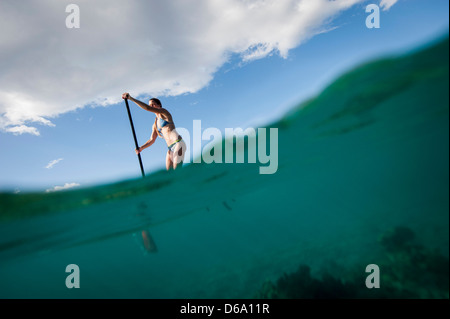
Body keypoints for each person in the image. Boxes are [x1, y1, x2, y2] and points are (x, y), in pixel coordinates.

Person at [122, 93, 186, 170]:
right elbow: (152, 140)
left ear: (159, 105)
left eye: (153, 104)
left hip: (178, 143)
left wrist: (131, 98)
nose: (151, 106)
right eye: (150, 104)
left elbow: (147, 108)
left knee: (177, 172)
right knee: (169, 175)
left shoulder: (164, 112)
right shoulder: (155, 124)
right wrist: (141, 148)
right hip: (170, 148)